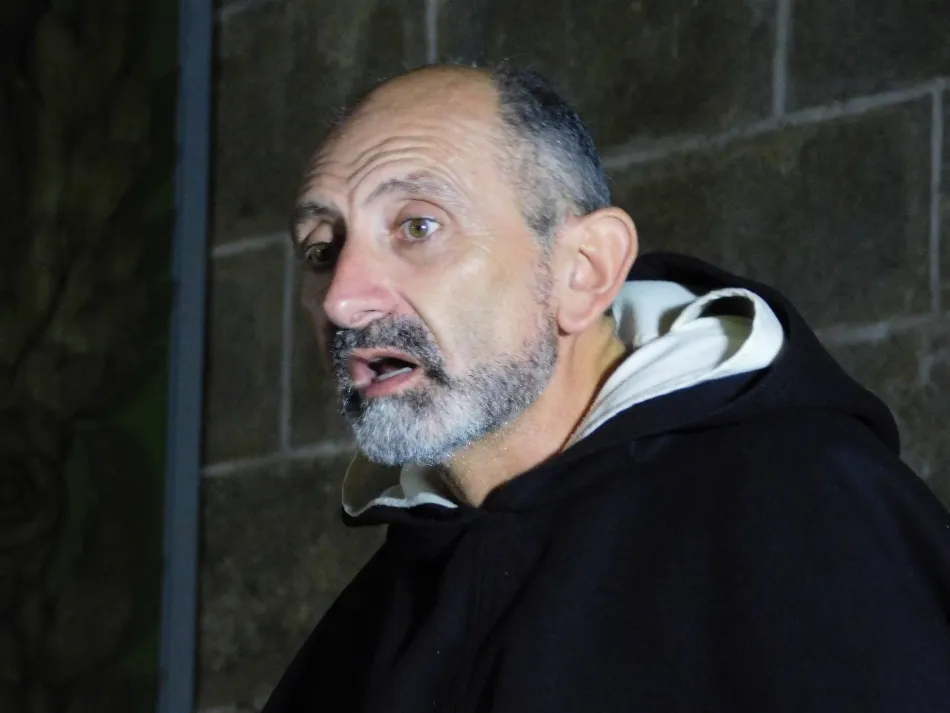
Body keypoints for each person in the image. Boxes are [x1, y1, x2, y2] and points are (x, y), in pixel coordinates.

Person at [264, 64, 950, 712]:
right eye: (322, 248)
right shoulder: (375, 615)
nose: (343, 300)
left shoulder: (816, 517)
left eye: (418, 226)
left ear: (585, 269)